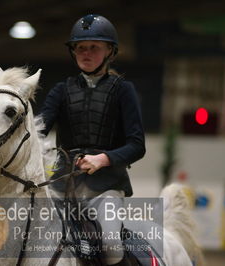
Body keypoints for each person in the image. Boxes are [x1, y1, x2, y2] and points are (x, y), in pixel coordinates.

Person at [39, 14, 145, 266]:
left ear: (110, 51)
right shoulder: (61, 90)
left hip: (105, 187)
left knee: (109, 242)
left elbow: (137, 145)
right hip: (61, 187)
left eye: (94, 47)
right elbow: (37, 130)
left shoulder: (123, 90)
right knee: (33, 237)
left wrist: (104, 158)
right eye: (81, 48)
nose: (86, 53)